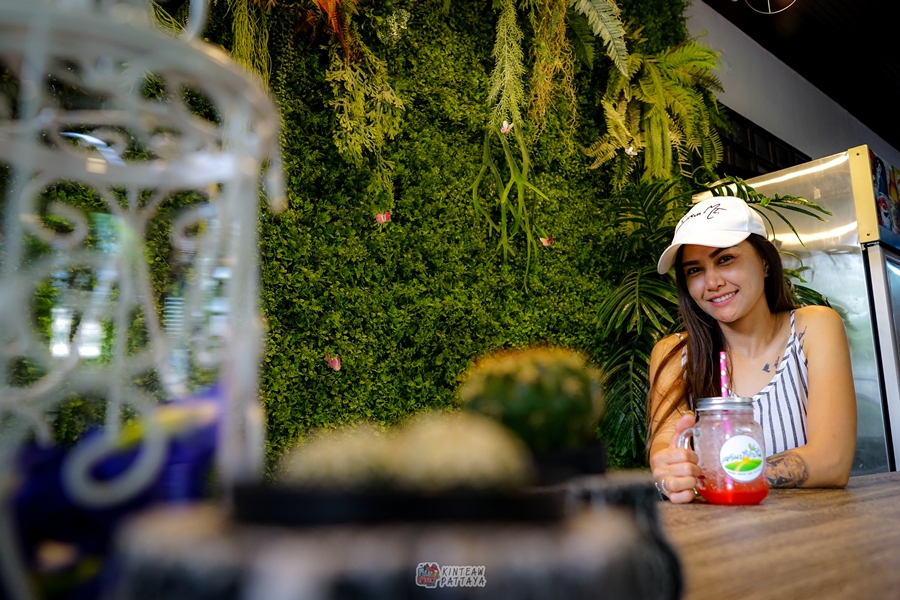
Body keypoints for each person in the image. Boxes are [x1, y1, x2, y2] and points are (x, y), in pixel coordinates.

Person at [648, 196, 857, 504]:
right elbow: (666, 450)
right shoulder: (674, 354)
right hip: (711, 532)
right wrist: (669, 473)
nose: (712, 282)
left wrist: (724, 476)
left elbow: (832, 461)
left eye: (725, 259)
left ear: (764, 261)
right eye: (694, 270)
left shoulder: (813, 328)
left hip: (813, 529)